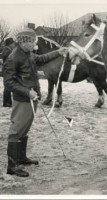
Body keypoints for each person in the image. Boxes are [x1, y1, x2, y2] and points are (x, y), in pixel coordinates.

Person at [3, 28, 68, 177]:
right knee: (16, 130)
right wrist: (27, 92)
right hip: (23, 100)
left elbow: (41, 59)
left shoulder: (27, 53)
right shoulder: (13, 58)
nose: (35, 44)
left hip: (32, 99)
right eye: (33, 41)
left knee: (24, 129)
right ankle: (12, 166)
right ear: (24, 42)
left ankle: (21, 158)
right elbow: (8, 83)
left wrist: (59, 52)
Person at [2, 37, 16, 107]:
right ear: (10, 44)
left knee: (8, 86)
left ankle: (8, 102)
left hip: (7, 70)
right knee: (8, 86)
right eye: (13, 43)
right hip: (8, 71)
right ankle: (6, 103)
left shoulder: (7, 50)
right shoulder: (8, 51)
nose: (14, 45)